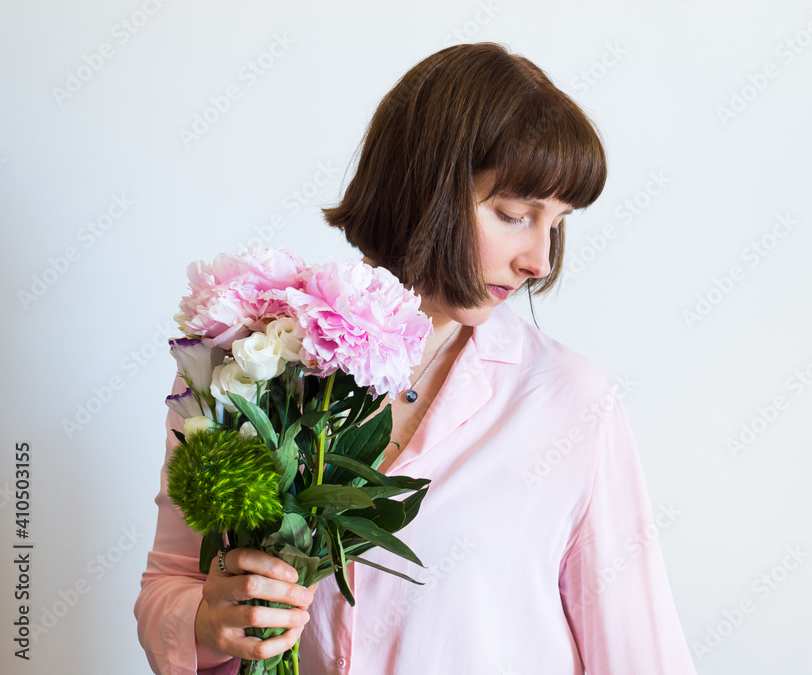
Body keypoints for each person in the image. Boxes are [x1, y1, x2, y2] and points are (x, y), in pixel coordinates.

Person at [135, 42, 698, 674]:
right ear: (425, 188)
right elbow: (169, 587)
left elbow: (639, 653)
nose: (539, 261)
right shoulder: (250, 366)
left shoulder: (571, 399)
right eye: (515, 215)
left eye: (556, 223)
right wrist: (211, 623)